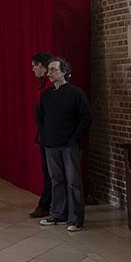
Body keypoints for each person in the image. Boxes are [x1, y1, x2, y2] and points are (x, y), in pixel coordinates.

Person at [37, 56, 92, 231]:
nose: (50, 73)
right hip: (51, 145)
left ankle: (76, 219)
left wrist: (74, 138)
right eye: (49, 70)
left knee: (73, 182)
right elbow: (42, 117)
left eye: (54, 69)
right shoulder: (46, 94)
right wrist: (45, 137)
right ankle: (59, 215)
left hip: (69, 145)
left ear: (64, 72)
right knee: (56, 181)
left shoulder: (76, 93)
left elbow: (86, 118)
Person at [27, 52, 59, 219]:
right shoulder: (44, 84)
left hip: (51, 137)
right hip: (45, 136)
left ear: (41, 65)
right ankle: (48, 204)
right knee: (47, 171)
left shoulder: (50, 86)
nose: (32, 70)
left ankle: (46, 205)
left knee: (51, 172)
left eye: (33, 66)